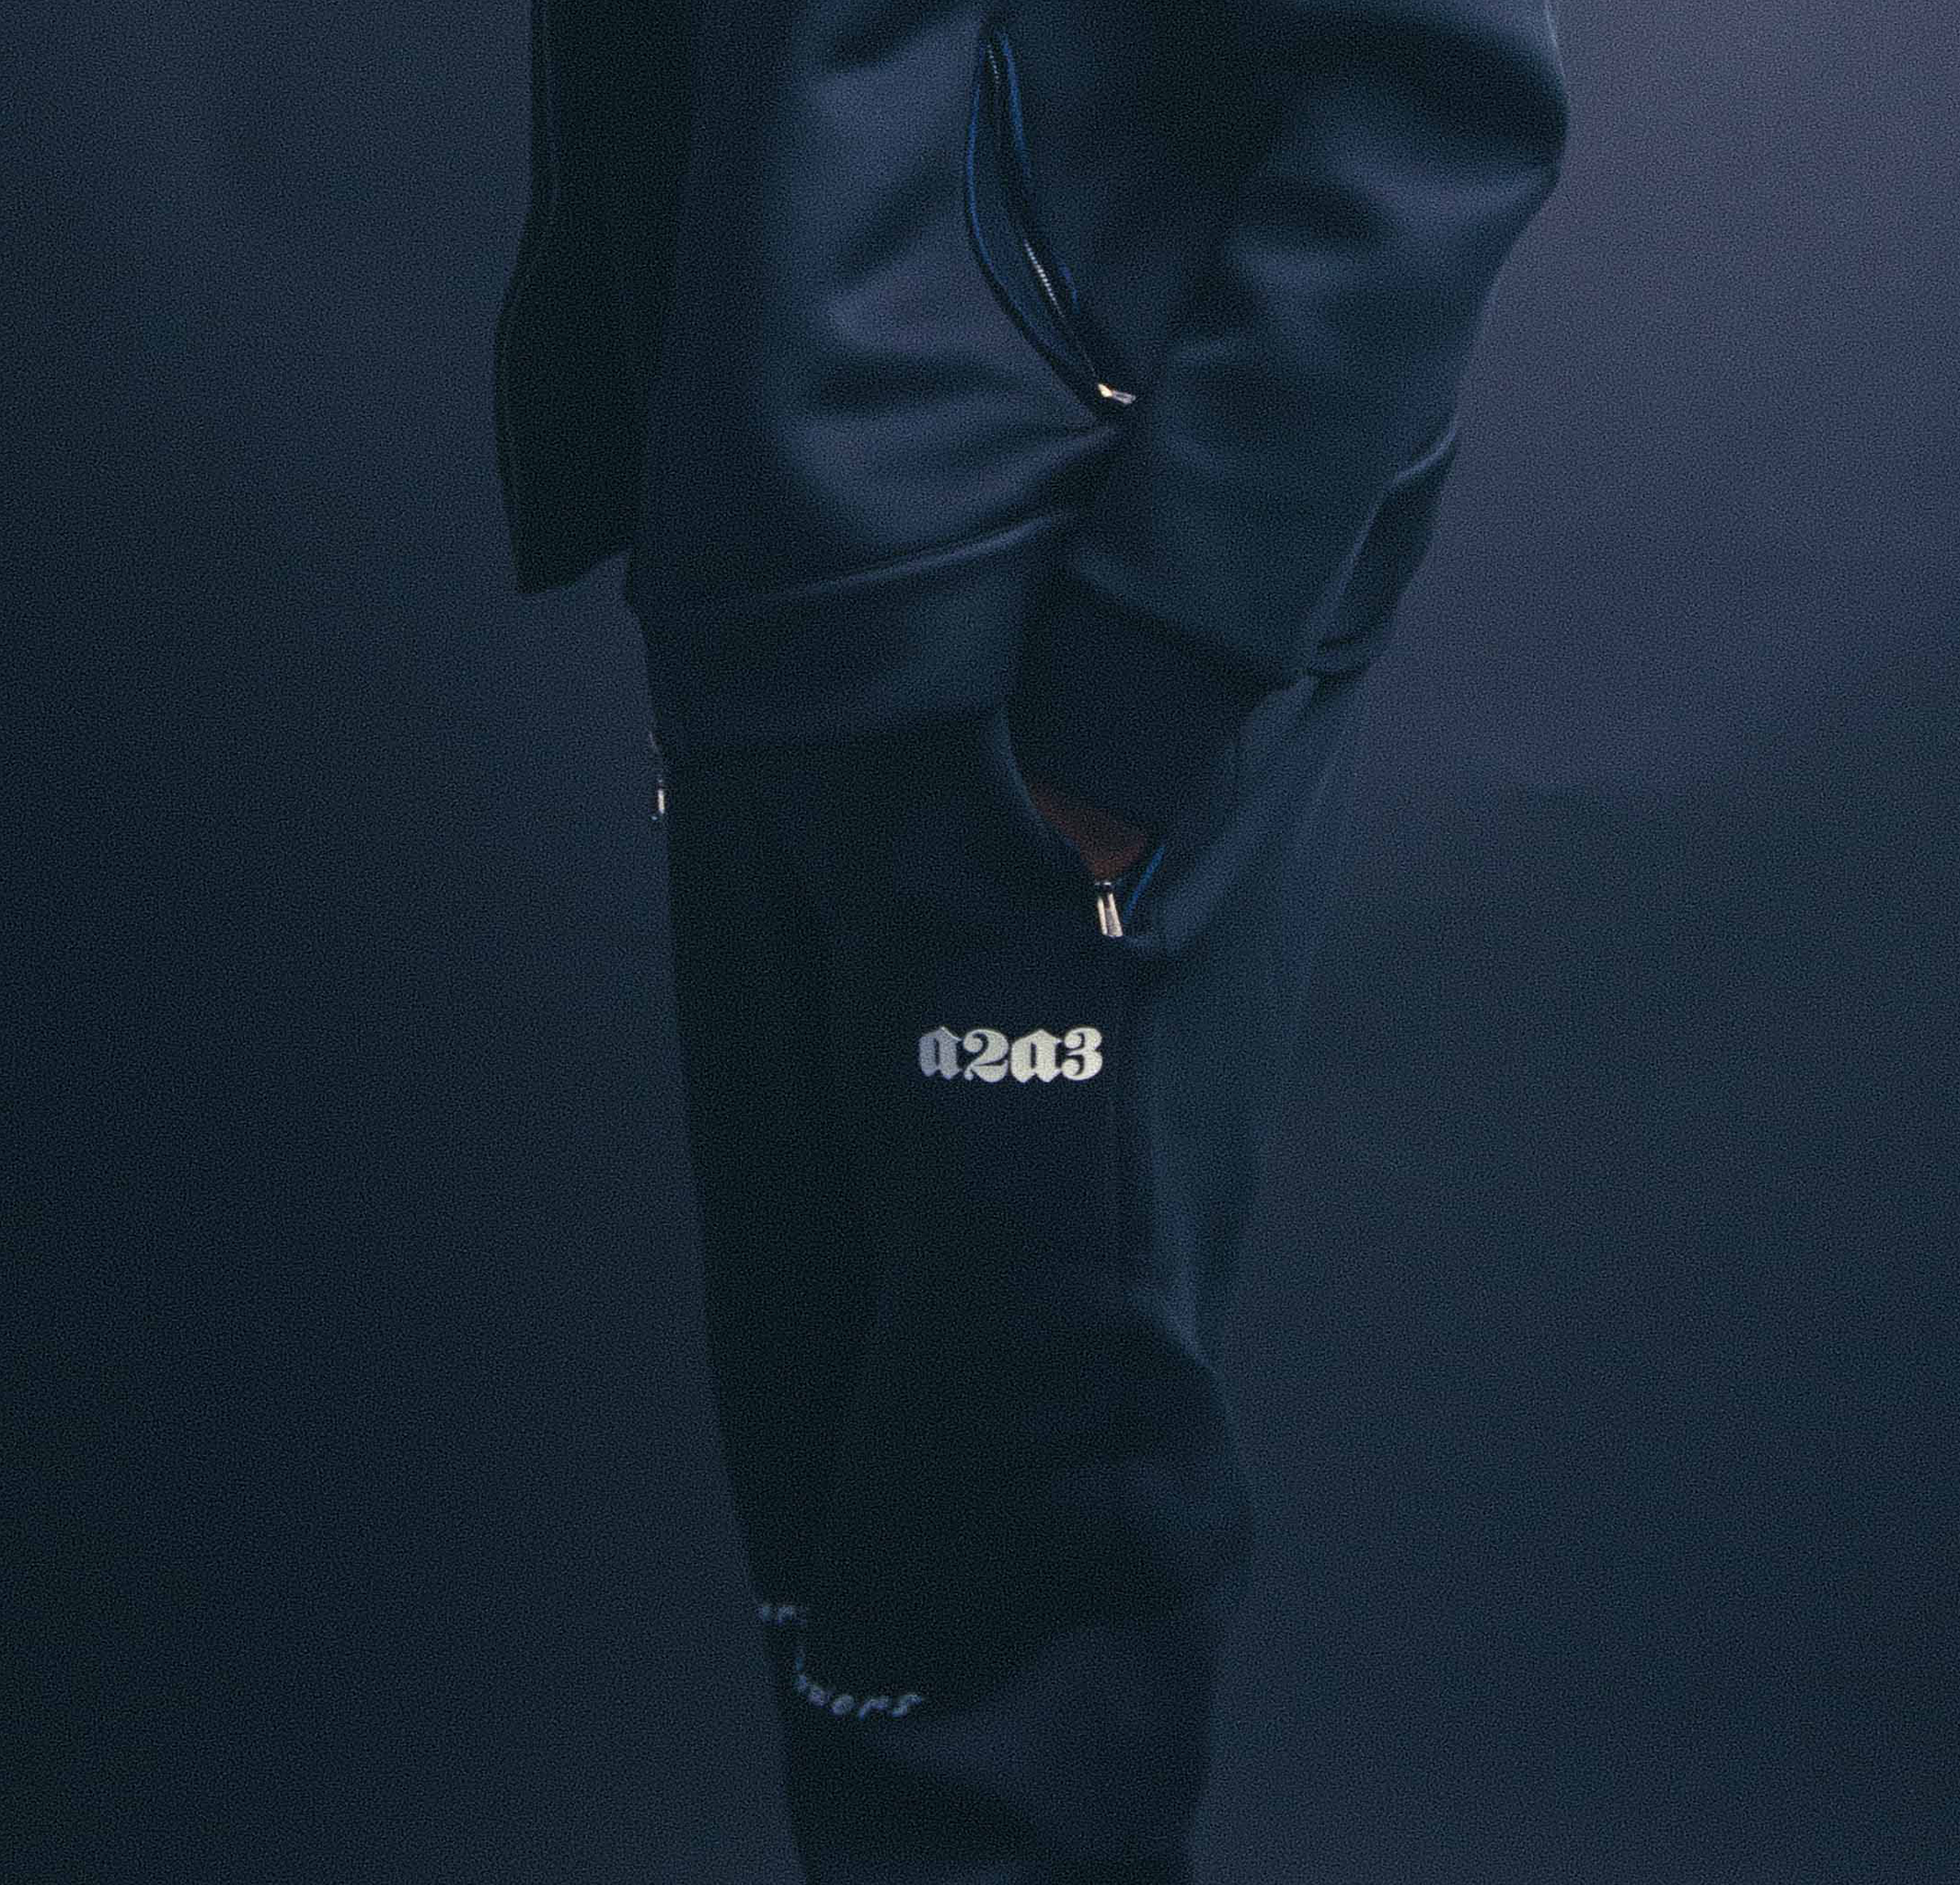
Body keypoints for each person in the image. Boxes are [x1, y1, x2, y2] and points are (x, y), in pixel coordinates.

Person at [493, 1, 1569, 1876]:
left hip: (1039, 634)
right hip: (764, 608)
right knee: (848, 1585)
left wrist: (1152, 662)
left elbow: (1434, 98)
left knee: (1012, 1621)